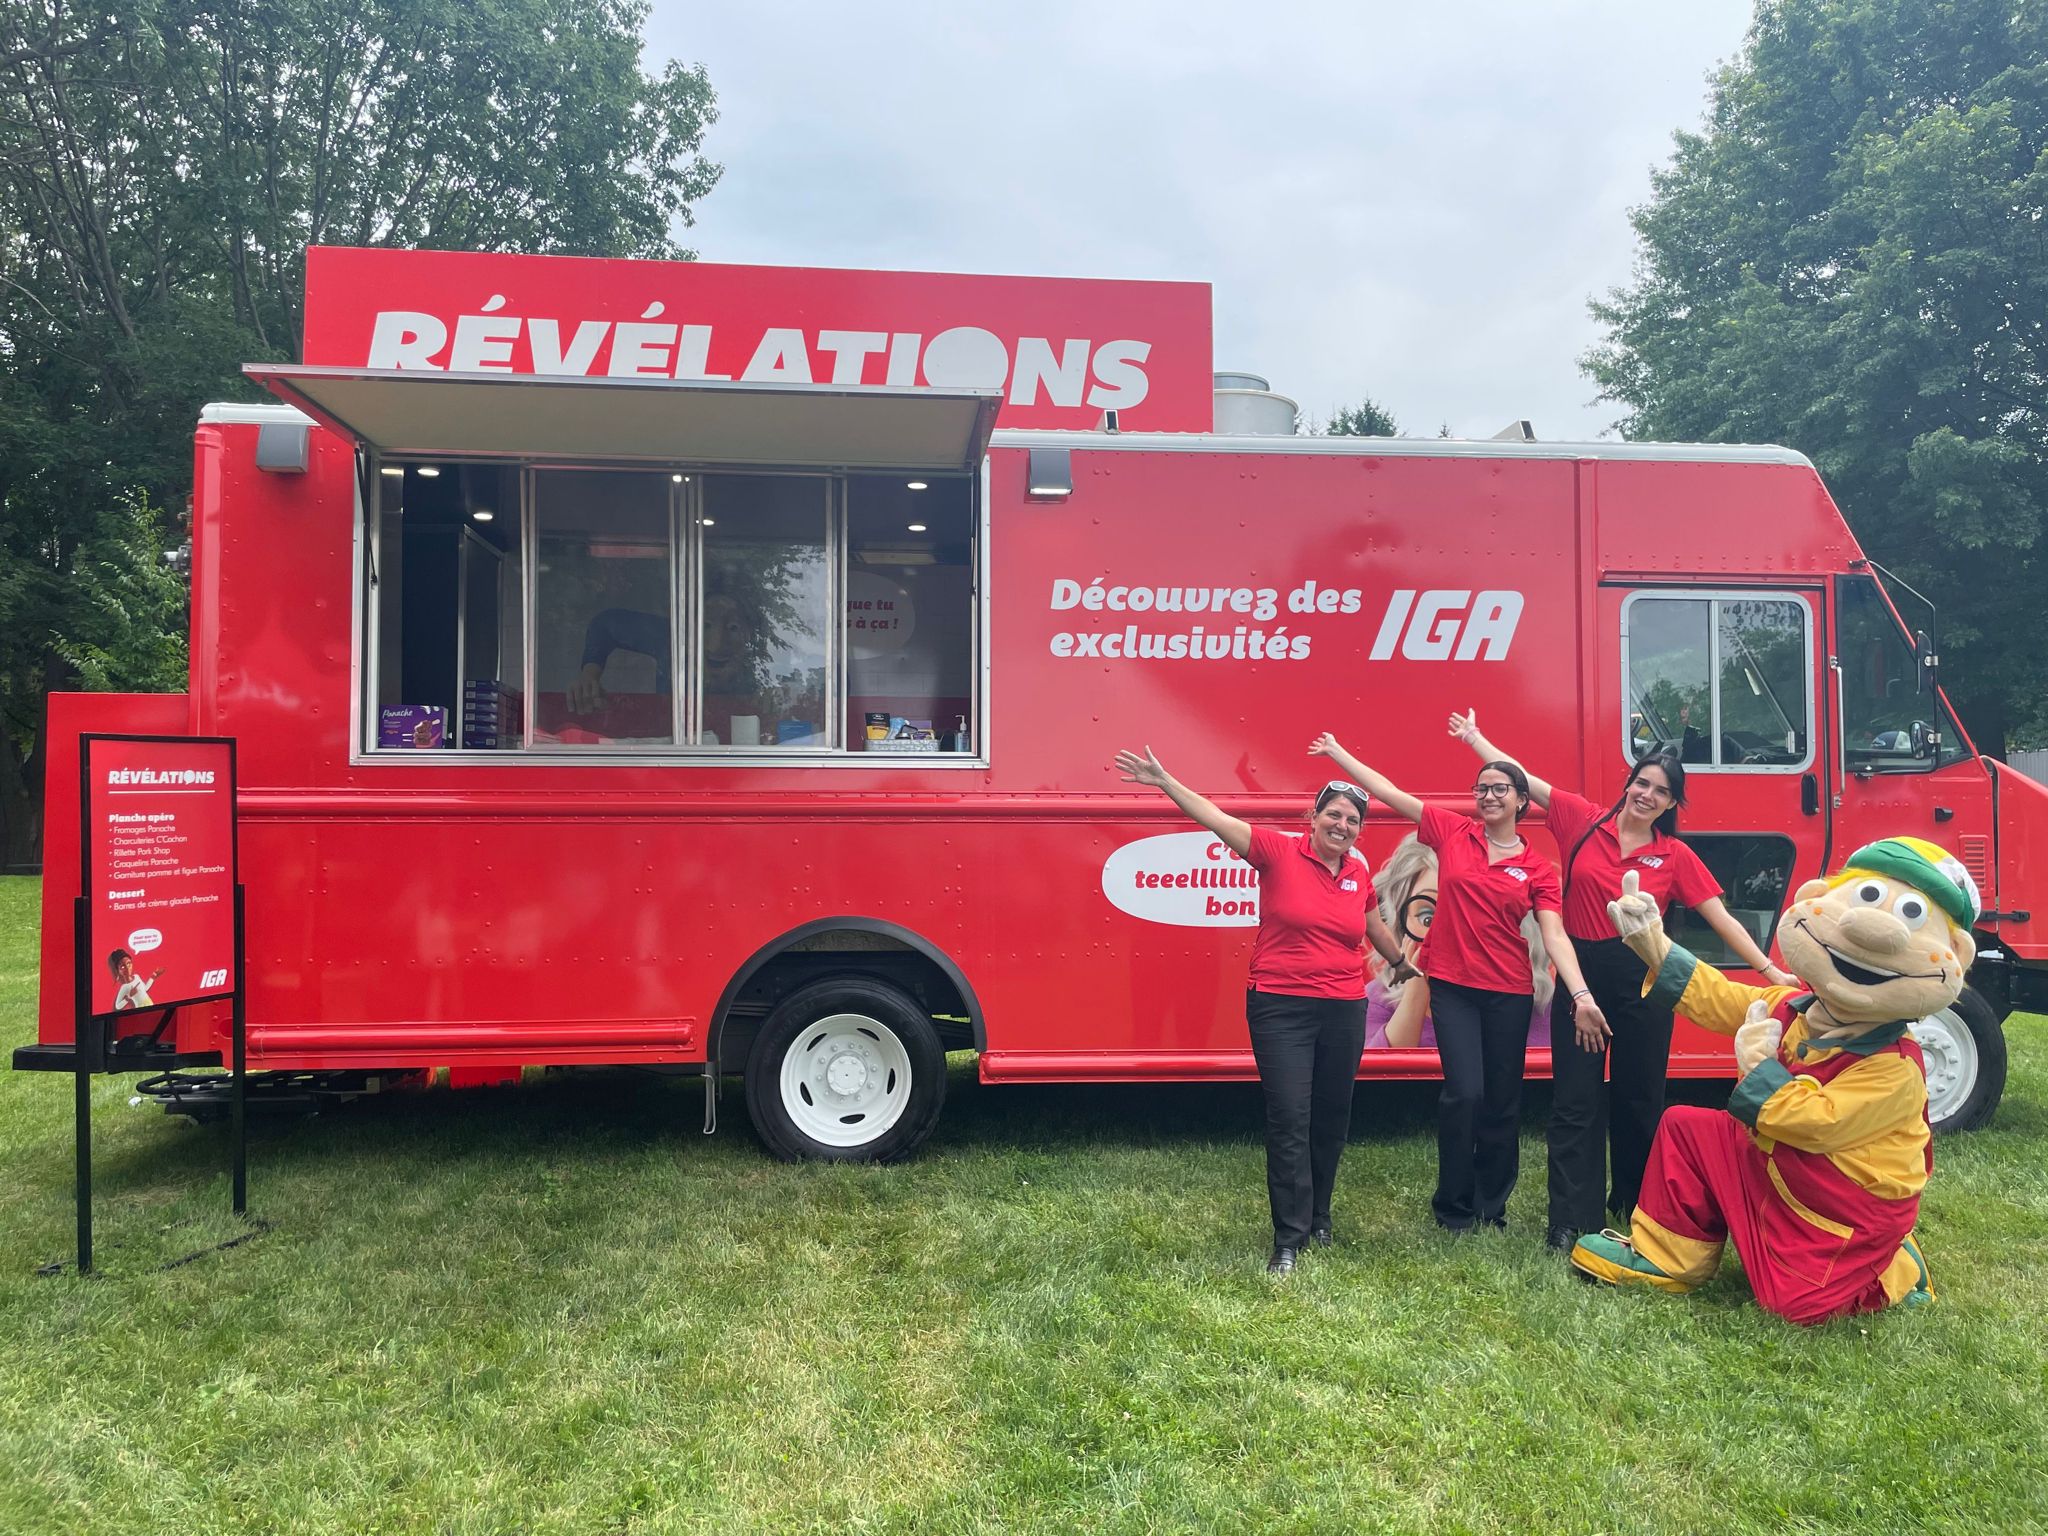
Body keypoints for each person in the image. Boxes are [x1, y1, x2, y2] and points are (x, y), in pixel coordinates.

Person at [1448, 708, 1797, 1251]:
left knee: (1639, 1099)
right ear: (1628, 785)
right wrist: (1476, 738)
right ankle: (1570, 1220)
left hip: (1645, 981)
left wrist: (1770, 969)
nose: (1647, 795)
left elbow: (1720, 918)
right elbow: (1522, 779)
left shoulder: (1674, 854)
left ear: (1671, 804)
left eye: (1661, 791)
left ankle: (1635, 1206)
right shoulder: (1581, 821)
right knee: (1575, 1101)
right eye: (1642, 783)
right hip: (1582, 978)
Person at [1113, 745, 1407, 1275]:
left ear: (1360, 831)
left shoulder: (1357, 873)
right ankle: (1289, 1239)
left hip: (1344, 1008)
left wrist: (1402, 963)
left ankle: (1320, 1215)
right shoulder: (1276, 851)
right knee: (1290, 1118)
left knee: (1331, 1117)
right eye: (1333, 815)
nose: (1341, 826)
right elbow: (1215, 818)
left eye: (1352, 820)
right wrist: (1165, 780)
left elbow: (1372, 926)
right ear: (1313, 817)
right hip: (1280, 1007)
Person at [1308, 731, 1607, 1234]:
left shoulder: (1537, 869)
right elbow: (1389, 792)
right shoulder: (1452, 832)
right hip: (1452, 986)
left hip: (1509, 992)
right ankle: (1453, 1207)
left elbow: (1554, 935)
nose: (1488, 795)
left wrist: (1580, 994)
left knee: (1502, 1102)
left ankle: (1491, 1207)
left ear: (1521, 800)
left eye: (1499, 788)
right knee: (1464, 1094)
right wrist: (1340, 754)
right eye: (1481, 788)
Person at [1363, 833, 1552, 1050]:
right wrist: (1416, 993)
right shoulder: (1378, 999)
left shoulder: (1542, 1005)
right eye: (1427, 918)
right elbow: (1376, 1068)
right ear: (1401, 923)